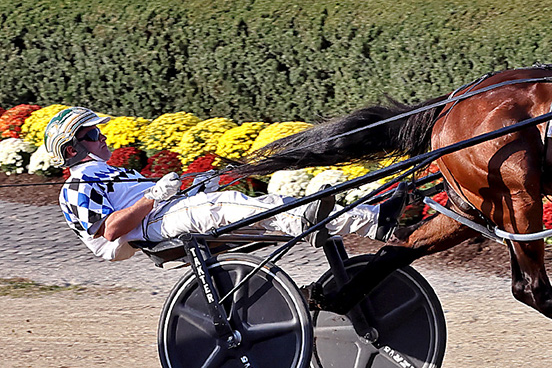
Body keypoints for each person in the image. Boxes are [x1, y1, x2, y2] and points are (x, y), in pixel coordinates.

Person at [46, 107, 407, 262]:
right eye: (93, 134)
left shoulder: (109, 172)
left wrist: (194, 182)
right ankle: (310, 223)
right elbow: (110, 231)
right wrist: (155, 196)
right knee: (229, 205)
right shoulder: (75, 189)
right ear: (71, 149)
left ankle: (372, 220)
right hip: (151, 227)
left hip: (164, 212)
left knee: (255, 198)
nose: (102, 136)